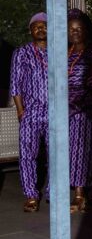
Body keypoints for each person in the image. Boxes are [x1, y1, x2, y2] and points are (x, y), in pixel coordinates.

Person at [10, 13, 50, 212]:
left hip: (54, 112)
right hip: (30, 112)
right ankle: (31, 195)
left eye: (45, 26)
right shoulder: (21, 53)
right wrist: (20, 111)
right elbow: (15, 85)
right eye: (37, 26)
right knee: (28, 155)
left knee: (56, 154)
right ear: (30, 30)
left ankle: (52, 192)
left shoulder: (58, 52)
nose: (41, 29)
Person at [67, 10, 92, 212]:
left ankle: (80, 194)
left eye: (79, 28)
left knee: (79, 151)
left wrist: (79, 104)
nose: (75, 32)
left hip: (83, 109)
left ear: (86, 31)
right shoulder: (63, 52)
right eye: (71, 29)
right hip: (62, 107)